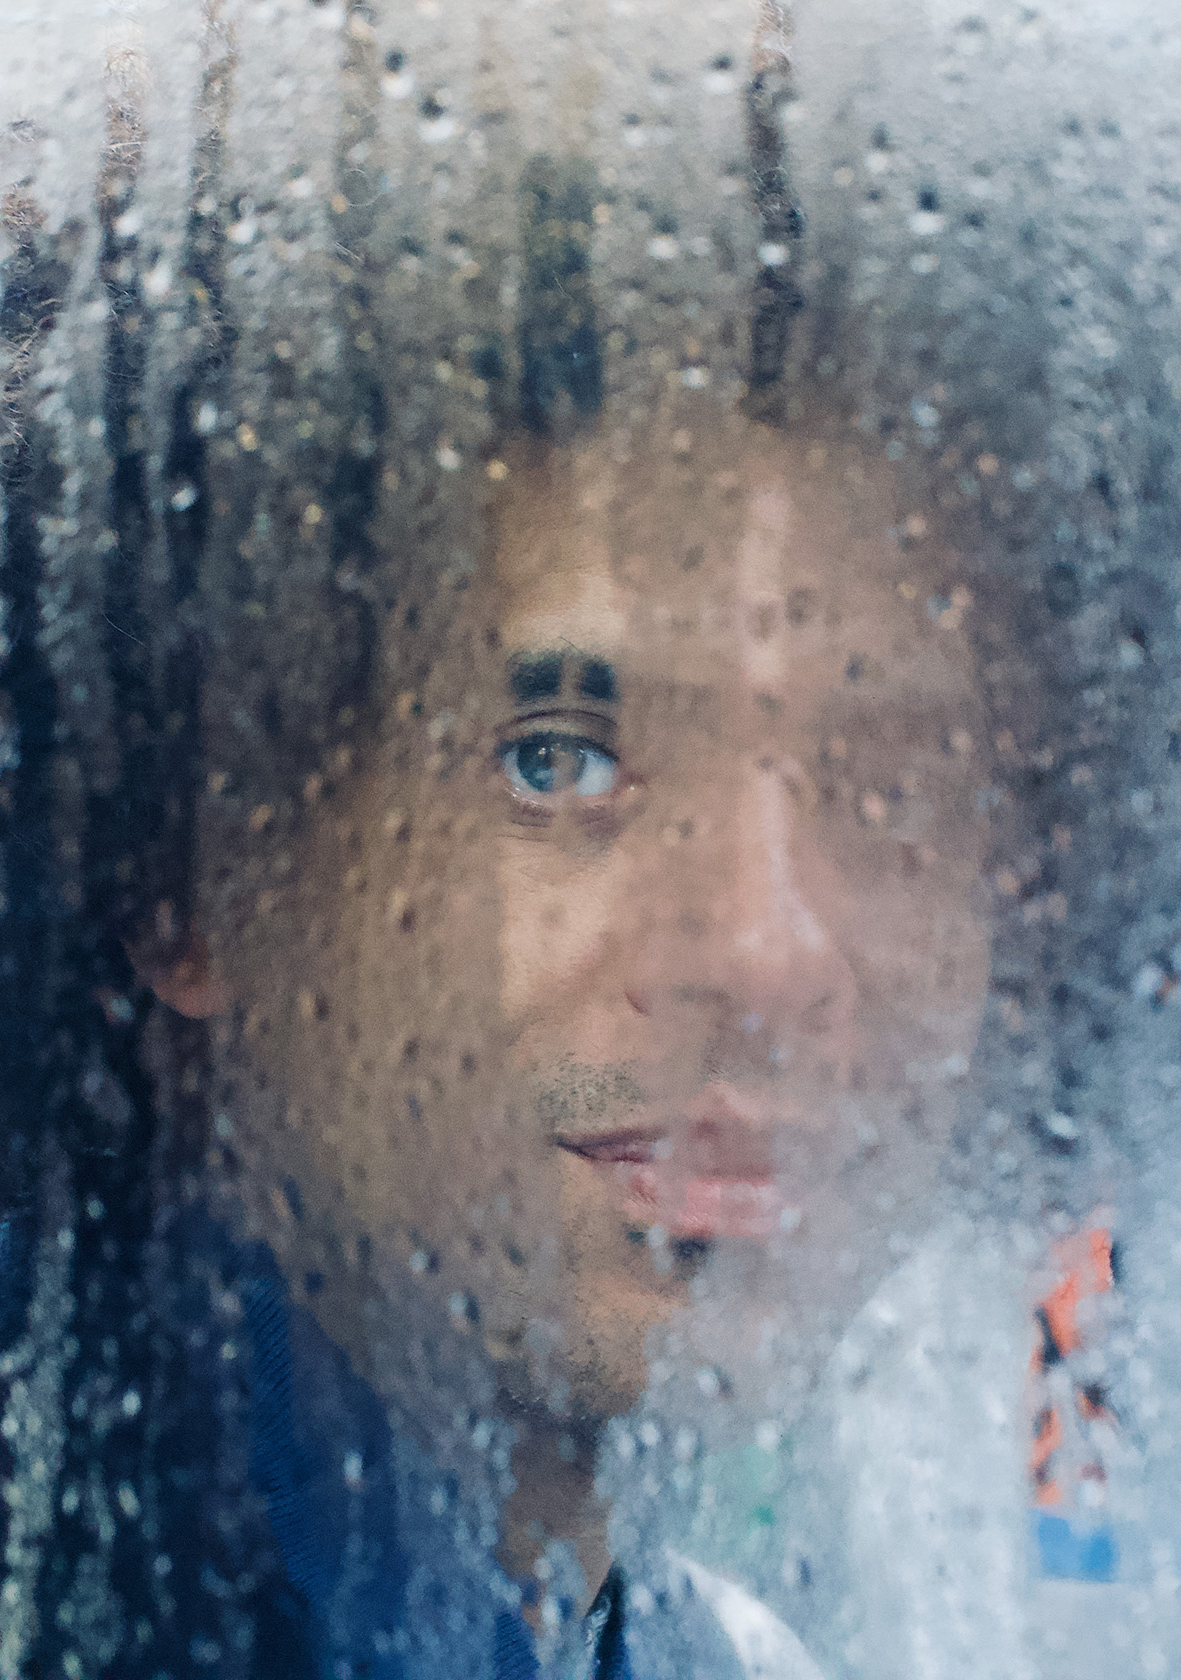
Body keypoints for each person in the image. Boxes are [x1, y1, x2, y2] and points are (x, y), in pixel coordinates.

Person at [128, 406, 997, 1678]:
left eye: (898, 794)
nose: (775, 956)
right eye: (558, 764)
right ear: (189, 873)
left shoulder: (716, 1650)